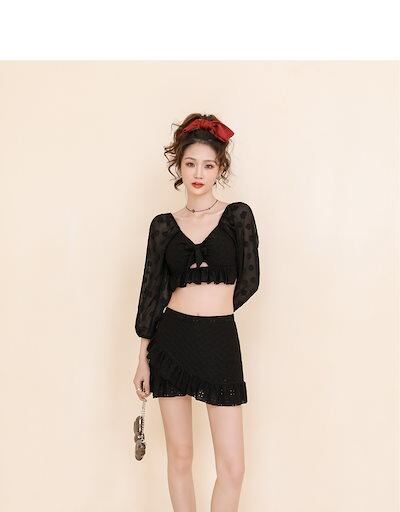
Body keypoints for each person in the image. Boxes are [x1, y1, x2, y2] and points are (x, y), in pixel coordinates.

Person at [133, 113, 260, 512]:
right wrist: (143, 359)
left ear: (220, 168)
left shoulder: (238, 216)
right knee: (181, 457)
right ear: (179, 166)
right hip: (170, 343)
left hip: (220, 341)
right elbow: (151, 293)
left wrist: (213, 314)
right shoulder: (163, 226)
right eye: (191, 164)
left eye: (208, 165)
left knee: (232, 467)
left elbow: (250, 280)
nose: (199, 173)